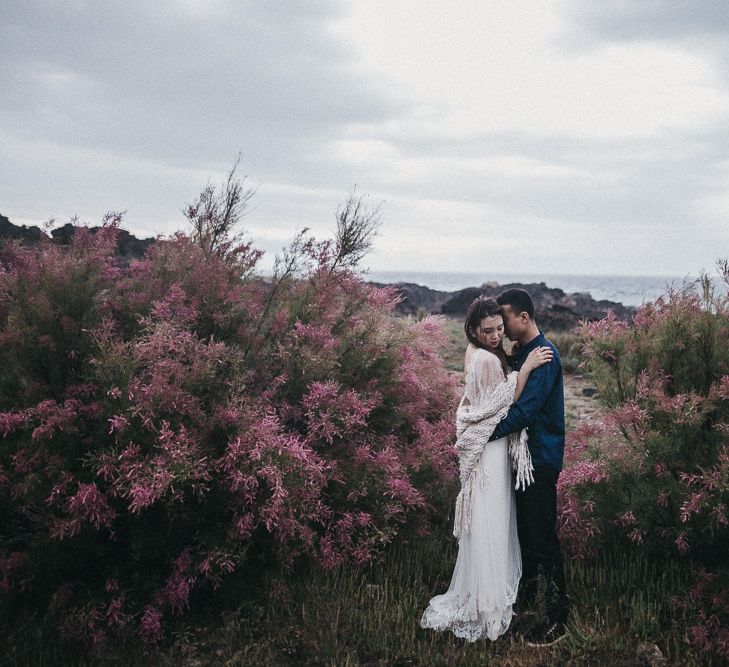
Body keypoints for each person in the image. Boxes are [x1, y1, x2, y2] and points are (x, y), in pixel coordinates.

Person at [420, 297, 552, 642]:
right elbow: (504, 405)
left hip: (490, 449)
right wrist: (523, 370)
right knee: (493, 521)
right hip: (491, 449)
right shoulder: (487, 361)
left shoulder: (477, 353)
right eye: (488, 330)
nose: (496, 335)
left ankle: (487, 596)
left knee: (490, 520)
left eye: (499, 329)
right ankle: (490, 605)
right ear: (475, 330)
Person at [490, 288, 568, 646]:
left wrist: (483, 433)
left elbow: (525, 411)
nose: (501, 325)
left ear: (523, 317)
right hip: (523, 460)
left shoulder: (545, 355)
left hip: (540, 459)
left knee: (541, 539)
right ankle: (525, 605)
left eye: (504, 318)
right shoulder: (522, 354)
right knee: (525, 536)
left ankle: (558, 618)